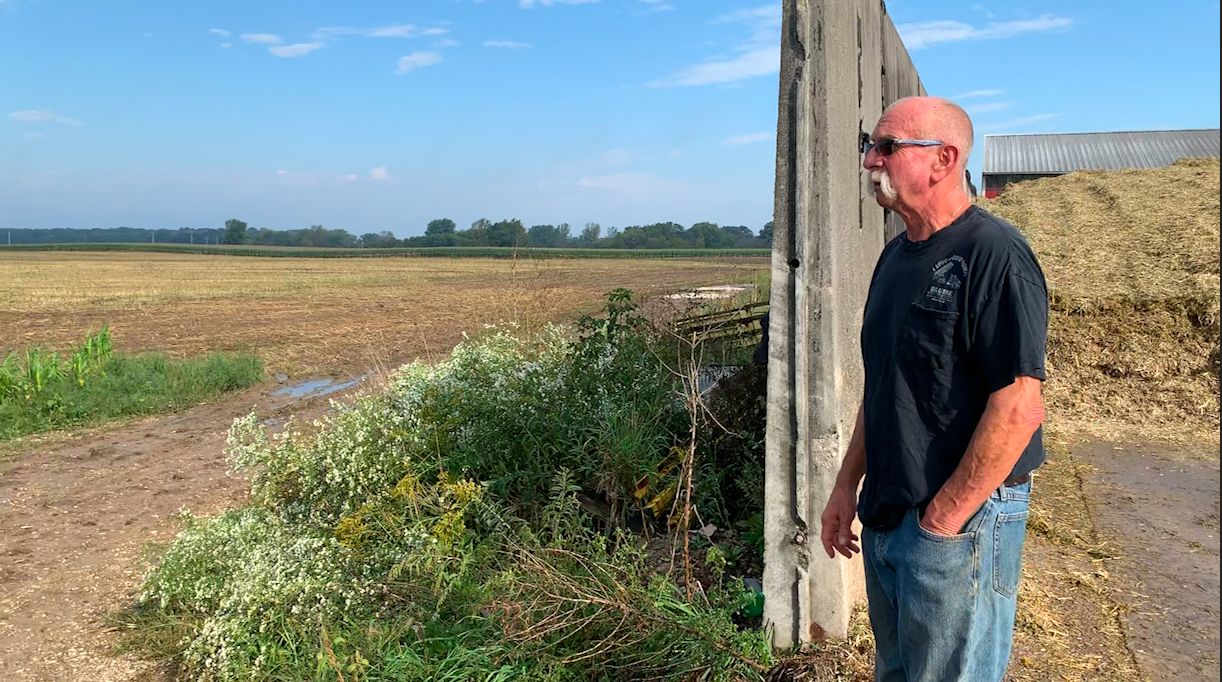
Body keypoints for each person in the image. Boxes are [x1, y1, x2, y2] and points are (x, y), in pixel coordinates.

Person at [819, 96, 1048, 681]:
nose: (871, 160)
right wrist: (847, 485)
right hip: (891, 516)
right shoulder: (895, 257)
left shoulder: (993, 253)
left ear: (943, 159)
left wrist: (944, 522)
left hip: (958, 525)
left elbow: (1019, 403)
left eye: (887, 147)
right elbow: (886, 387)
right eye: (870, 146)